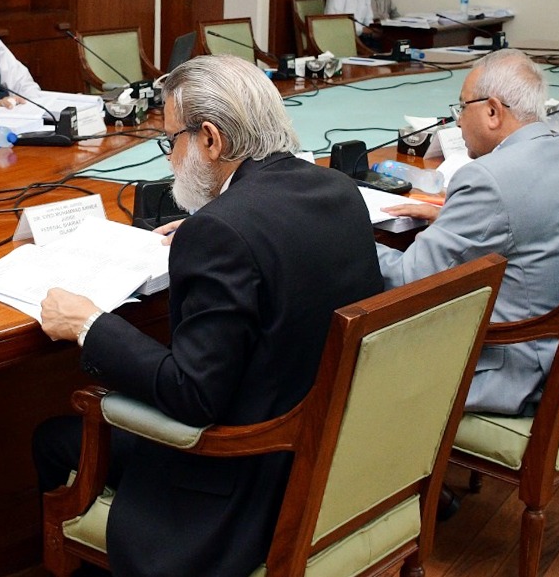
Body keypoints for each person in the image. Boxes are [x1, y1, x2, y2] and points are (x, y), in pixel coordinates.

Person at [31, 55, 383, 577]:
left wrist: (88, 325)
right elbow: (273, 244)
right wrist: (210, 224)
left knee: (54, 437)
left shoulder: (221, 232)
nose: (171, 157)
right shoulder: (338, 191)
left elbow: (193, 396)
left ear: (212, 139)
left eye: (171, 141)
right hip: (328, 459)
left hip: (240, 489)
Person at [377, 49, 559, 416]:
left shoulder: (487, 178)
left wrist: (348, 238)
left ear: (493, 111)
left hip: (511, 371)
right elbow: (526, 226)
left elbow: (408, 281)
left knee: (345, 355)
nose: (458, 122)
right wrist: (450, 218)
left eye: (461, 107)